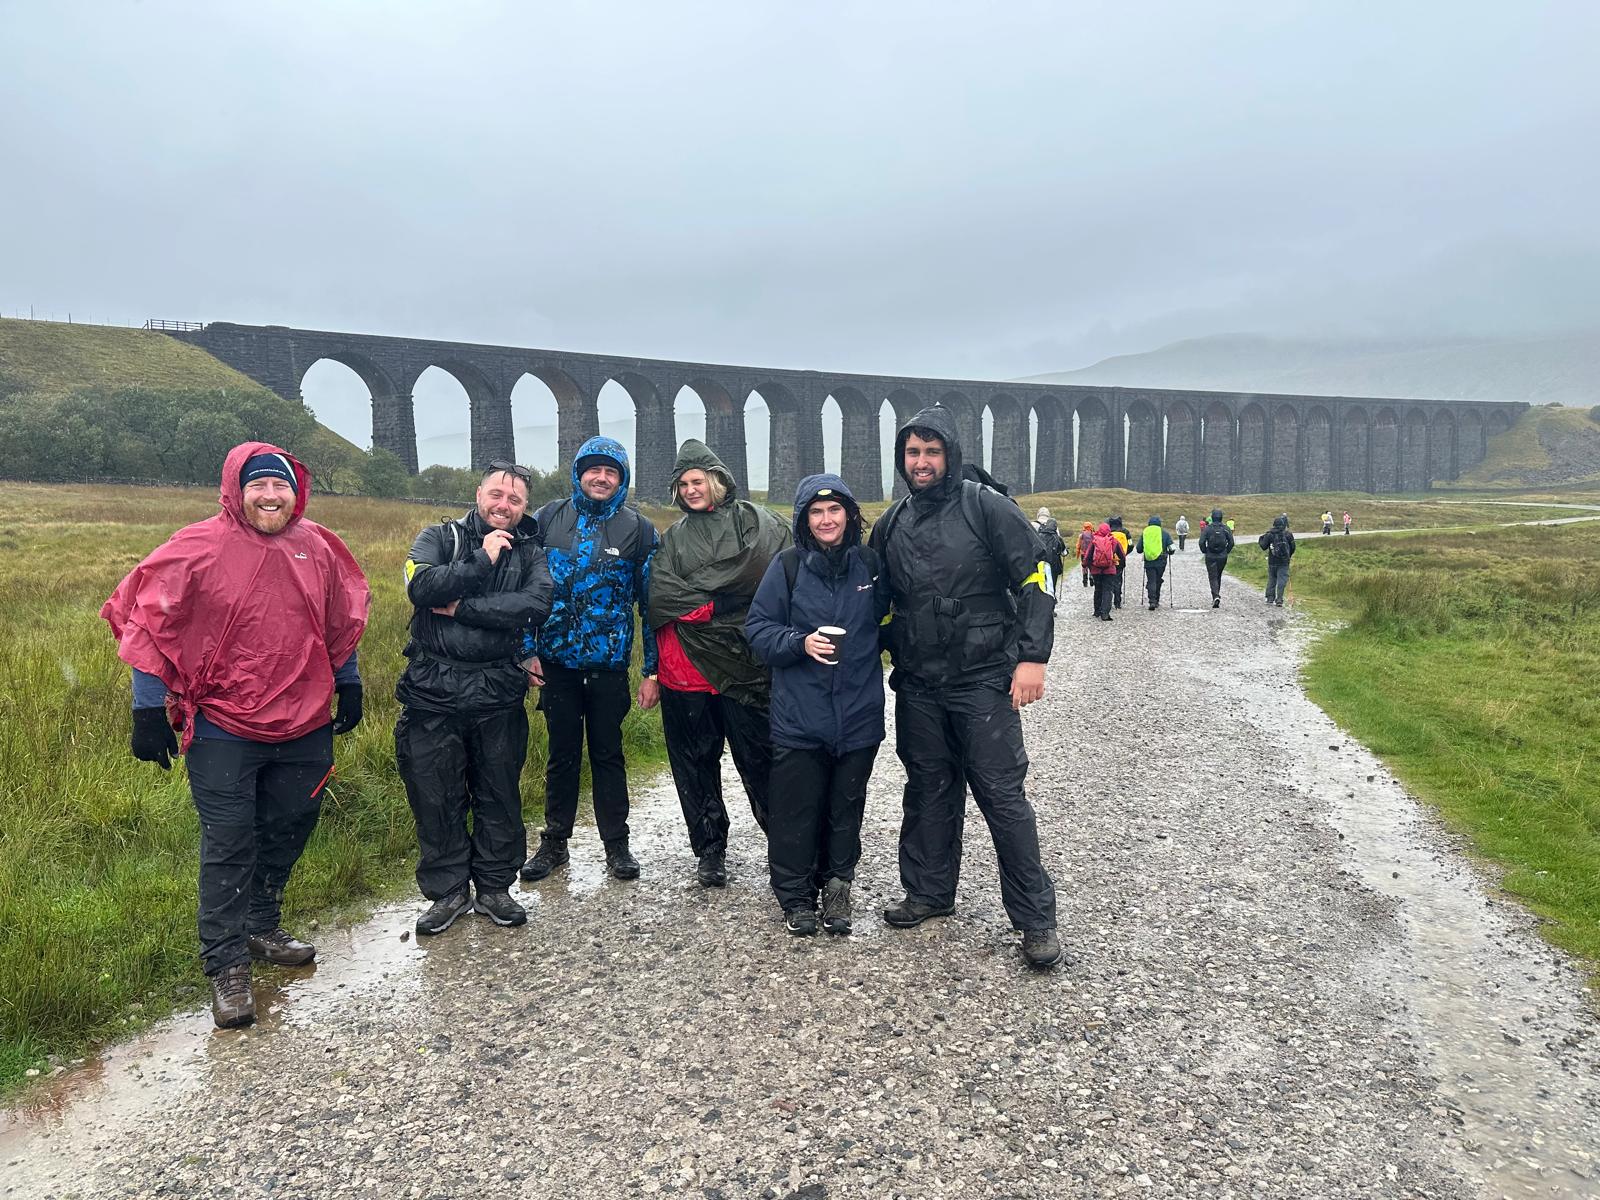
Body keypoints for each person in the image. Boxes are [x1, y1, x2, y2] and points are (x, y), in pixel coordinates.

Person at [102, 443, 371, 1029]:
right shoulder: (197, 546)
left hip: (305, 718)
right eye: (258, 486)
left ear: (296, 491)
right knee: (228, 841)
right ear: (235, 490)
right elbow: (148, 617)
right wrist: (147, 708)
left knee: (291, 823)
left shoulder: (318, 546)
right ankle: (226, 966)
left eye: (281, 485)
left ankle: (261, 923)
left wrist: (348, 681)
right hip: (224, 723)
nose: (271, 496)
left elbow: (339, 620)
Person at [869, 404, 1064, 969]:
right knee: (928, 787)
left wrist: (1033, 658)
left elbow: (1038, 576)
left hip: (982, 679)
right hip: (918, 682)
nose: (921, 462)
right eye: (912, 452)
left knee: (1001, 796)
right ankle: (929, 892)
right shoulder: (893, 521)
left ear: (950, 455)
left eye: (932, 452)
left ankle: (1035, 920)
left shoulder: (986, 507)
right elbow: (872, 598)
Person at [396, 462, 553, 936]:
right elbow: (421, 588)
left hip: (497, 690)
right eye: (496, 495)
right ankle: (447, 892)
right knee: (435, 793)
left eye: (515, 500)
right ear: (479, 494)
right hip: (432, 691)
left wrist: (463, 608)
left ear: (525, 507)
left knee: (498, 792)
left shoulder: (531, 553)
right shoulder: (437, 537)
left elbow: (535, 605)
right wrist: (481, 560)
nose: (504, 505)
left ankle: (494, 887)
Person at [746, 474, 889, 936]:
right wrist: (800, 642)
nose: (826, 519)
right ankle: (796, 897)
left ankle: (837, 888)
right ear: (804, 519)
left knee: (846, 809)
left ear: (849, 514)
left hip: (859, 714)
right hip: (800, 717)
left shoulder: (870, 565)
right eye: (816, 512)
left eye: (834, 510)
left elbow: (892, 621)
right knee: (796, 811)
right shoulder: (787, 566)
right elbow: (758, 629)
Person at [648, 440, 789, 887]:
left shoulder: (757, 523)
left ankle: (787, 847)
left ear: (716, 480)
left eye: (697, 481)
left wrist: (718, 600)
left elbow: (775, 572)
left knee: (761, 757)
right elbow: (664, 596)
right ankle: (709, 850)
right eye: (682, 484)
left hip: (746, 665)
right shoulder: (673, 537)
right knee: (694, 763)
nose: (690, 490)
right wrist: (727, 602)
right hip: (685, 668)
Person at [518, 437, 658, 885]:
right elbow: (525, 588)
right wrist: (526, 650)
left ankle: (616, 845)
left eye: (610, 472)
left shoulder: (640, 530)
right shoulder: (547, 518)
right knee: (561, 755)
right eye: (593, 470)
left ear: (621, 479)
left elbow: (651, 607)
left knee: (608, 754)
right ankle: (554, 843)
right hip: (555, 663)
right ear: (578, 474)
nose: (601, 478)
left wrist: (651, 670)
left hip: (608, 666)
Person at [1198, 506, 1234, 609]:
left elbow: (1201, 542)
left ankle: (1215, 596)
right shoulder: (1226, 528)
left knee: (1212, 576)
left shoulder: (1207, 529)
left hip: (1210, 555)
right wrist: (1226, 551)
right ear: (1221, 517)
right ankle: (1216, 594)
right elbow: (1231, 542)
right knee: (1218, 575)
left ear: (1212, 517)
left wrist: (1205, 551)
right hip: (1222, 556)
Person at [1086, 520, 1123, 621]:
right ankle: (1105, 614)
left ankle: (1097, 611)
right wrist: (1120, 564)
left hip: (1096, 570)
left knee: (1098, 589)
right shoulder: (1113, 541)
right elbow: (1122, 555)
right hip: (1109, 570)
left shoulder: (1094, 540)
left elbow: (1088, 555)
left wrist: (1087, 566)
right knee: (1108, 590)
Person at [1258, 513, 1296, 606]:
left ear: (1274, 524)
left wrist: (1260, 539)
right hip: (1284, 562)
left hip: (1272, 561)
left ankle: (1270, 598)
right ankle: (1279, 599)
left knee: (1272, 579)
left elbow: (1263, 546)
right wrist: (1288, 556)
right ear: (1283, 524)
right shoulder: (1288, 534)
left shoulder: (1269, 534)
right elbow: (1293, 547)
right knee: (1282, 580)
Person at [1138, 515, 1175, 609]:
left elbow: (1138, 549)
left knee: (1151, 580)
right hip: (1161, 561)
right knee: (1158, 579)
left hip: (1149, 561)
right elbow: (1172, 548)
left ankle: (1152, 601)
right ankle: (1156, 600)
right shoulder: (1165, 533)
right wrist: (1170, 552)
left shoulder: (1145, 532)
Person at [1032, 507, 1066, 597]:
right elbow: (1059, 543)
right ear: (1048, 515)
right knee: (1051, 584)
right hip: (1052, 562)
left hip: (1037, 561)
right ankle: (1051, 600)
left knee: (1038, 583)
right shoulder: (1054, 526)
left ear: (1038, 514)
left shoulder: (1033, 525)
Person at [1107, 515, 1131, 610]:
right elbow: (1131, 545)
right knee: (1118, 579)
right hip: (1121, 559)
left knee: (1109, 579)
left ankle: (1108, 600)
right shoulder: (1125, 532)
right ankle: (1117, 602)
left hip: (1109, 559)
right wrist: (1124, 554)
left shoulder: (1108, 532)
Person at [1076, 521, 1094, 588]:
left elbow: (1078, 545)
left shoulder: (1081, 535)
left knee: (1084, 567)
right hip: (1091, 553)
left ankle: (1085, 581)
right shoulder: (1093, 534)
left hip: (1083, 554)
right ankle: (1091, 577)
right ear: (1091, 527)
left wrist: (1077, 554)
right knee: (1092, 566)